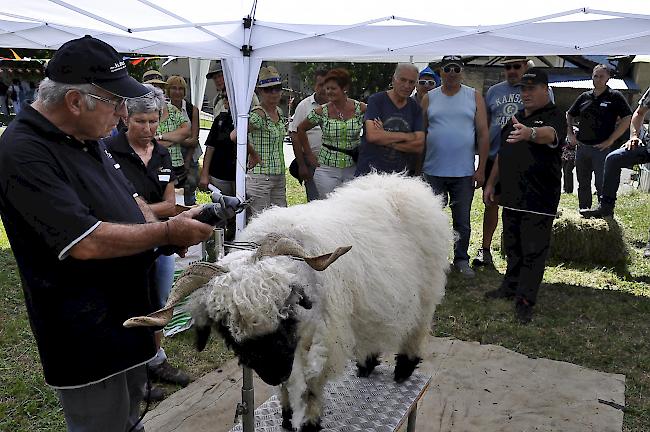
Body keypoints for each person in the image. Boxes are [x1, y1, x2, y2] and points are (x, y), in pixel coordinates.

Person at [0, 35, 213, 432]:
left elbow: (127, 200)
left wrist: (166, 230)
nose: (120, 114)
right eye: (115, 103)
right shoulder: (23, 150)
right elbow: (85, 242)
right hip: (86, 332)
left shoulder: (85, 137)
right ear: (76, 101)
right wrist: (165, 231)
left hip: (126, 317)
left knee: (130, 418)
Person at [104, 84, 190, 402]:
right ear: (126, 118)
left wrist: (138, 209)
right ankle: (135, 375)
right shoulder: (110, 151)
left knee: (160, 303)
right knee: (130, 305)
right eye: (141, 121)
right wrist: (142, 211)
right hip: (125, 244)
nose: (148, 128)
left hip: (161, 243)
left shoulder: (163, 153)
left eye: (153, 121)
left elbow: (171, 204)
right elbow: (110, 208)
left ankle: (154, 361)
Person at [484, 68, 566, 324]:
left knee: (533, 250)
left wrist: (530, 133)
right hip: (512, 195)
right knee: (513, 246)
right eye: (523, 89)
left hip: (539, 198)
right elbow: (503, 153)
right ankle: (510, 287)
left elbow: (550, 135)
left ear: (545, 89)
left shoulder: (556, 115)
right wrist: (491, 182)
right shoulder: (517, 116)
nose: (526, 93)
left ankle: (525, 300)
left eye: (532, 88)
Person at [421, 55, 489, 278]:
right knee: (431, 220)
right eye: (447, 68)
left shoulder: (474, 96)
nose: (451, 73)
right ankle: (433, 261)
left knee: (463, 220)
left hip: (463, 172)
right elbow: (421, 134)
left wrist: (481, 169)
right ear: (440, 71)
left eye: (456, 69)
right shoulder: (429, 98)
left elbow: (483, 134)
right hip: (432, 170)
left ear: (462, 72)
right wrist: (418, 166)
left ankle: (461, 259)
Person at [566, 64, 632, 210]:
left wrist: (611, 140)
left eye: (601, 76)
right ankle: (584, 211)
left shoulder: (614, 96)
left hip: (601, 149)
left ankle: (604, 212)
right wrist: (570, 133)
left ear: (608, 78)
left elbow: (627, 117)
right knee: (583, 183)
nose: (597, 79)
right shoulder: (585, 96)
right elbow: (569, 114)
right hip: (582, 148)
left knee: (601, 184)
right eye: (595, 76)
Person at [580, 86, 650, 219]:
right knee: (614, 158)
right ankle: (606, 208)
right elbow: (639, 113)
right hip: (647, 147)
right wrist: (634, 136)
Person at [296, 68, 366, 197]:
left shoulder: (360, 108)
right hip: (326, 169)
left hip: (352, 168)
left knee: (351, 207)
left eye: (333, 88)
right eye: (327, 88)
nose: (328, 92)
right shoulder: (321, 111)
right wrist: (309, 155)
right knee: (328, 208)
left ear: (344, 88)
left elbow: (374, 125)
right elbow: (300, 129)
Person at [355, 63, 424, 176]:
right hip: (370, 174)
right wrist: (407, 136)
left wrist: (386, 138)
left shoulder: (415, 108)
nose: (406, 85)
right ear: (393, 80)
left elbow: (419, 146)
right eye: (403, 80)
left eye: (411, 82)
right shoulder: (376, 101)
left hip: (400, 176)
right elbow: (373, 136)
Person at [245, 65, 288, 216]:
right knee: (260, 221)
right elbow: (236, 135)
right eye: (269, 89)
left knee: (280, 219)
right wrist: (253, 154)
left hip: (278, 174)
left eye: (277, 88)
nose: (274, 93)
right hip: (261, 176)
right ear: (260, 92)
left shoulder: (279, 112)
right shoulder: (258, 114)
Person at [143, 70, 191, 198]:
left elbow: (186, 131)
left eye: (159, 86)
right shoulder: (139, 110)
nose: (156, 90)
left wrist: (159, 138)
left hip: (175, 166)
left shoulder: (172, 109)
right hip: (151, 165)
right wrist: (174, 138)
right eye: (152, 86)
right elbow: (144, 140)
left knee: (178, 203)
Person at [199, 94, 237, 239]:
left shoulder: (247, 120)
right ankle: (218, 242)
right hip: (219, 173)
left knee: (238, 211)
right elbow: (210, 147)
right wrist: (204, 173)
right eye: (225, 98)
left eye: (230, 98)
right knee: (221, 210)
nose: (228, 101)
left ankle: (234, 238)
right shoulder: (220, 120)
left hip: (241, 175)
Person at [288, 69, 328, 201]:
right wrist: (302, 165)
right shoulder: (304, 106)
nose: (324, 88)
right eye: (320, 84)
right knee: (315, 204)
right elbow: (294, 135)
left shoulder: (338, 105)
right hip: (312, 165)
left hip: (335, 165)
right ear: (314, 85)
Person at [166, 75, 201, 205]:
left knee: (190, 186)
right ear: (168, 91)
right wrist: (181, 137)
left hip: (190, 155)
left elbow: (194, 140)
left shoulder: (192, 110)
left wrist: (173, 137)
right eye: (173, 88)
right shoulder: (164, 109)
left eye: (181, 89)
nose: (177, 92)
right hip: (170, 156)